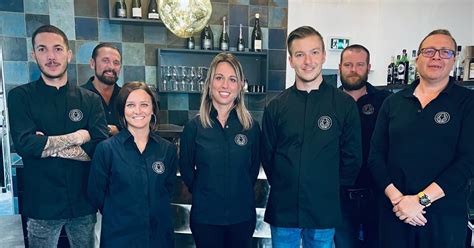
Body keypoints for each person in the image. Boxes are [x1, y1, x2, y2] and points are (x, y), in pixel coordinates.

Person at [368, 29, 474, 248]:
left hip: (443, 217)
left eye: (445, 52)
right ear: (417, 58)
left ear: (454, 60)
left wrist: (419, 201)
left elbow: (468, 161)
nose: (436, 56)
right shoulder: (393, 103)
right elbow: (375, 156)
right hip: (395, 213)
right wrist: (400, 201)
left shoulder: (467, 102)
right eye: (429, 51)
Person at [7, 25, 108, 247]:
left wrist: (45, 145)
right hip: (41, 204)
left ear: (68, 54)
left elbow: (100, 147)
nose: (51, 56)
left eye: (58, 49)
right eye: (42, 49)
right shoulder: (20, 97)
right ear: (34, 55)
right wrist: (79, 136)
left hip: (83, 202)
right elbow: (25, 145)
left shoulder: (90, 100)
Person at [261, 25, 362, 248]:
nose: (308, 61)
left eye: (314, 52)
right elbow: (267, 156)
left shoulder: (344, 104)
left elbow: (352, 158)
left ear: (324, 56)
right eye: (300, 54)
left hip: (323, 209)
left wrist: (326, 188)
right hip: (284, 208)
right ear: (291, 61)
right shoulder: (276, 106)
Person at [179, 53, 261, 248]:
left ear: (240, 86)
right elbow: (187, 171)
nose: (225, 85)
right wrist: (205, 192)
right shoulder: (194, 127)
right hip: (206, 218)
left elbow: (252, 170)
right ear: (209, 84)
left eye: (232, 79)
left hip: (242, 217)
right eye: (219, 78)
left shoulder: (251, 127)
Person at [88, 81, 177, 247]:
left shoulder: (167, 150)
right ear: (122, 110)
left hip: (159, 238)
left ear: (152, 110)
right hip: (119, 237)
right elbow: (96, 195)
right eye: (130, 105)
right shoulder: (106, 150)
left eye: (144, 104)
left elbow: (168, 190)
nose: (138, 111)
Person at [334, 44, 391, 248]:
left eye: (359, 64)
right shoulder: (328, 102)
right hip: (338, 196)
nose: (353, 70)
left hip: (377, 194)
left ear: (368, 67)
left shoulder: (387, 101)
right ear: (339, 67)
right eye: (348, 64)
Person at [82, 43, 122, 136]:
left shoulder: (127, 97)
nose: (111, 67)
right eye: (105, 61)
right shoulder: (78, 97)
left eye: (116, 63)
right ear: (92, 64)